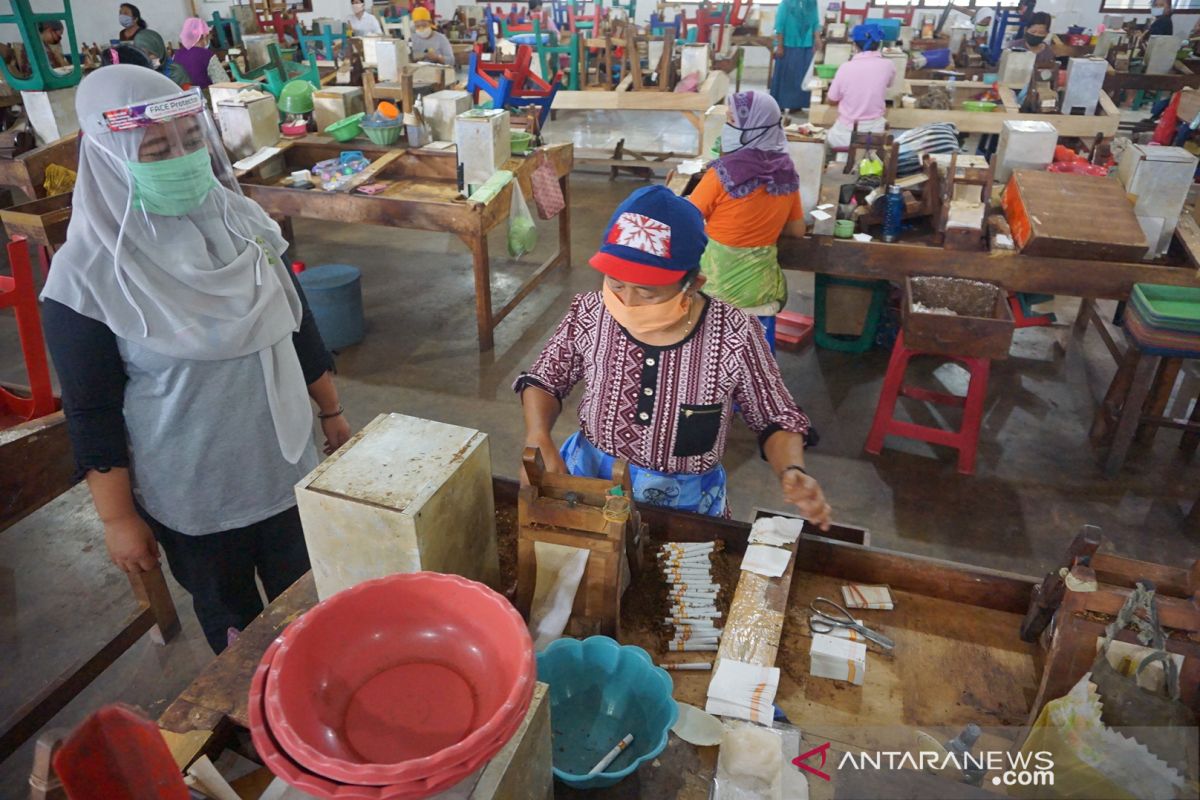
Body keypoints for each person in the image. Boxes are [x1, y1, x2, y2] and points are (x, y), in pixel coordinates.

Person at [41, 66, 351, 654]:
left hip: (286, 466)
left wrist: (331, 412)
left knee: (309, 606)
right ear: (108, 158)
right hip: (195, 497)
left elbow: (298, 324)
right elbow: (93, 412)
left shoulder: (245, 224)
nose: (183, 160)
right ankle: (256, 721)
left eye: (190, 141)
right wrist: (117, 521)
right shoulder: (86, 279)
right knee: (235, 626)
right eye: (157, 149)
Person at [514, 185, 831, 527]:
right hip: (588, 479)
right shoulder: (590, 312)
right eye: (616, 284)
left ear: (692, 284)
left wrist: (792, 469)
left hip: (685, 505)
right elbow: (545, 378)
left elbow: (775, 414)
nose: (627, 303)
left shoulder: (734, 333)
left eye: (647, 293)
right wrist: (537, 434)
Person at [689, 91, 805, 350]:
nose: (727, 126)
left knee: (712, 366)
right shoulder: (786, 173)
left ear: (752, 126)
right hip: (761, 293)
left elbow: (689, 218)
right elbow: (797, 230)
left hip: (716, 290)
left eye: (732, 120)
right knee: (758, 367)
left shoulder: (722, 173)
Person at [825, 24, 893, 150]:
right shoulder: (888, 65)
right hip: (874, 134)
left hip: (845, 135)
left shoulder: (846, 67)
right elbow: (888, 84)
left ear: (855, 45)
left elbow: (832, 99)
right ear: (878, 44)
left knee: (827, 138)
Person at [117, 4, 187, 85]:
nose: (145, 58)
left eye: (125, 13)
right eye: (120, 13)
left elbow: (156, 64)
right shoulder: (145, 79)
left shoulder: (177, 74)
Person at [770, 0, 819, 113]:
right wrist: (780, 45)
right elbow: (779, 25)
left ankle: (796, 105)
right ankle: (780, 103)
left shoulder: (812, 3)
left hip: (806, 45)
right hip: (788, 45)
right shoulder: (786, 3)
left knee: (802, 76)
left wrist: (817, 38)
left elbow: (815, 22)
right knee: (786, 75)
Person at [174, 18, 230, 90]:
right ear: (203, 36)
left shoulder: (177, 55)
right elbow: (224, 83)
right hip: (206, 98)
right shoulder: (207, 55)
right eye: (207, 37)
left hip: (184, 99)